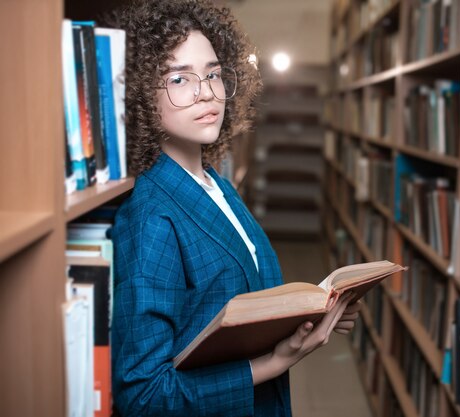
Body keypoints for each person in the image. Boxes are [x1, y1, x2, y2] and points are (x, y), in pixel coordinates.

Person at [107, 0, 361, 416]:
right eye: (179, 78)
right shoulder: (150, 216)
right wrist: (278, 359)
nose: (206, 91)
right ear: (139, 92)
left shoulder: (217, 184)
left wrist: (307, 317)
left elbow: (231, 303)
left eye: (212, 74)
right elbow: (144, 396)